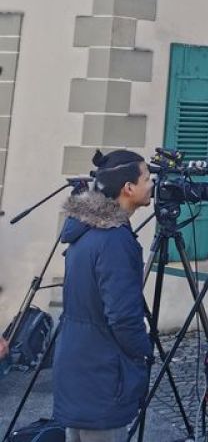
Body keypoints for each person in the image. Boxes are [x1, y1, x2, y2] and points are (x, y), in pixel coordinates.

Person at [53, 150, 154, 442]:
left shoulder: (85, 230)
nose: (152, 184)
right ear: (128, 188)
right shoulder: (114, 240)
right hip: (102, 374)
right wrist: (142, 352)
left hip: (78, 366)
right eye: (147, 178)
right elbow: (123, 316)